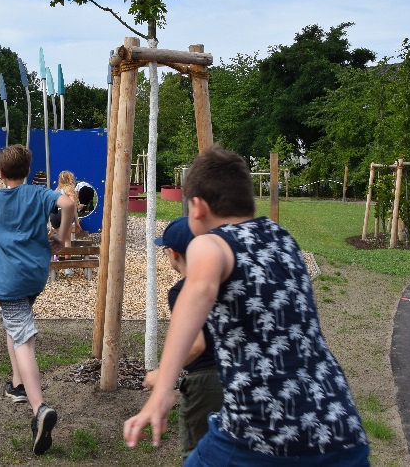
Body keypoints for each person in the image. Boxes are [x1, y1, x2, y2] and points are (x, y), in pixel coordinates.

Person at [124, 146, 369, 466]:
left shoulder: (209, 243)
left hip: (262, 433)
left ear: (198, 207)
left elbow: (197, 292)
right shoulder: (282, 238)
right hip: (340, 427)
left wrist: (161, 392)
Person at [0, 144, 75, 455]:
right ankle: (17, 384)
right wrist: (61, 236)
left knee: (23, 340)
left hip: (10, 280)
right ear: (28, 171)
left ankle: (39, 408)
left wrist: (0, 234)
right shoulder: (39, 194)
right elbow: (68, 202)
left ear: (1, 174)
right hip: (35, 276)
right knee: (14, 324)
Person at [143, 216, 223, 460]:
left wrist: (163, 374)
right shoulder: (224, 282)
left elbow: (196, 345)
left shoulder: (182, 291)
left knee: (199, 453)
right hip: (238, 374)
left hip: (205, 382)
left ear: (174, 254)